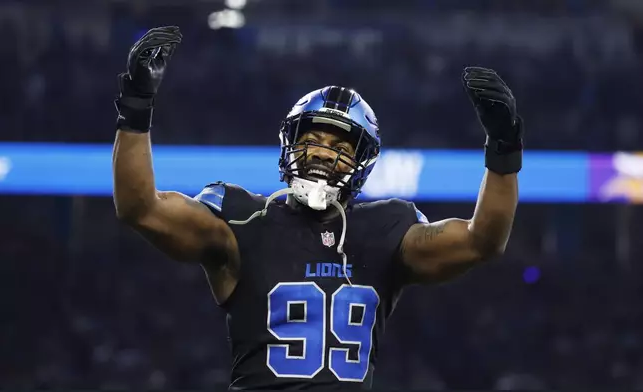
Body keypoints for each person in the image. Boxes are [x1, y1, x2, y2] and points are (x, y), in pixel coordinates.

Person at [113, 27, 522, 390]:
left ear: (362, 162)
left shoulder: (386, 226)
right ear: (290, 143)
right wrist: (136, 107)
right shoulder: (242, 218)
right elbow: (140, 208)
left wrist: (502, 150)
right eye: (314, 139)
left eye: (342, 147)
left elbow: (481, 240)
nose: (324, 154)